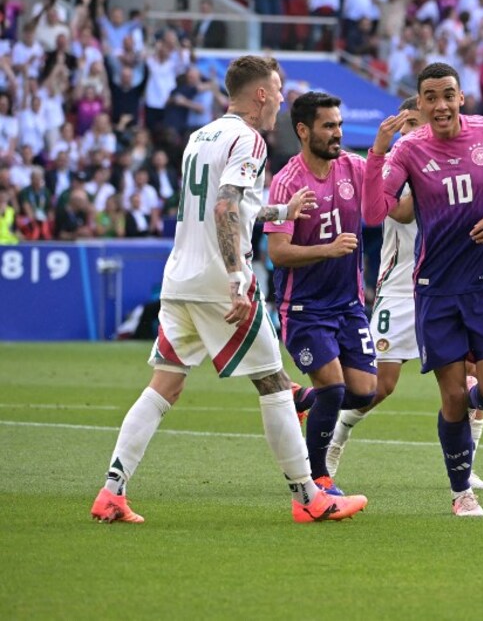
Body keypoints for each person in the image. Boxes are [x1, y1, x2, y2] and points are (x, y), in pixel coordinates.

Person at [91, 55, 367, 524]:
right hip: (220, 282)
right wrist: (239, 276)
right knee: (275, 384)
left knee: (165, 385)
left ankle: (111, 491)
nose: (281, 100)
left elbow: (228, 205)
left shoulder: (200, 137)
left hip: (180, 279)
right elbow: (224, 208)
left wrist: (280, 213)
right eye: (277, 90)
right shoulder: (249, 139)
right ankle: (309, 496)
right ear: (260, 94)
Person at [363, 62, 483, 517]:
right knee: (451, 396)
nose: (440, 105)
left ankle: (463, 411)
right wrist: (378, 154)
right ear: (421, 104)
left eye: (448, 95)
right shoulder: (408, 150)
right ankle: (462, 492)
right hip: (436, 290)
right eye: (431, 97)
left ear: (461, 97)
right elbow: (373, 213)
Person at [357, 98, 483, 491]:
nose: (412, 131)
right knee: (379, 386)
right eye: (407, 124)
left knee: (474, 376)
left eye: (418, 123)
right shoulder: (397, 164)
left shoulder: (453, 158)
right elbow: (399, 211)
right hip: (400, 290)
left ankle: (467, 467)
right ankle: (331, 445)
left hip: (448, 287)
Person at [265, 91, 388, 496]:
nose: (338, 133)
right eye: (328, 126)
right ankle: (318, 478)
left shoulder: (353, 167)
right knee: (334, 389)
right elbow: (278, 253)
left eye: (339, 125)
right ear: (303, 131)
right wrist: (328, 249)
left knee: (364, 391)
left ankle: (305, 401)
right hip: (304, 307)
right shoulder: (287, 182)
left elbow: (386, 193)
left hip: (348, 305)